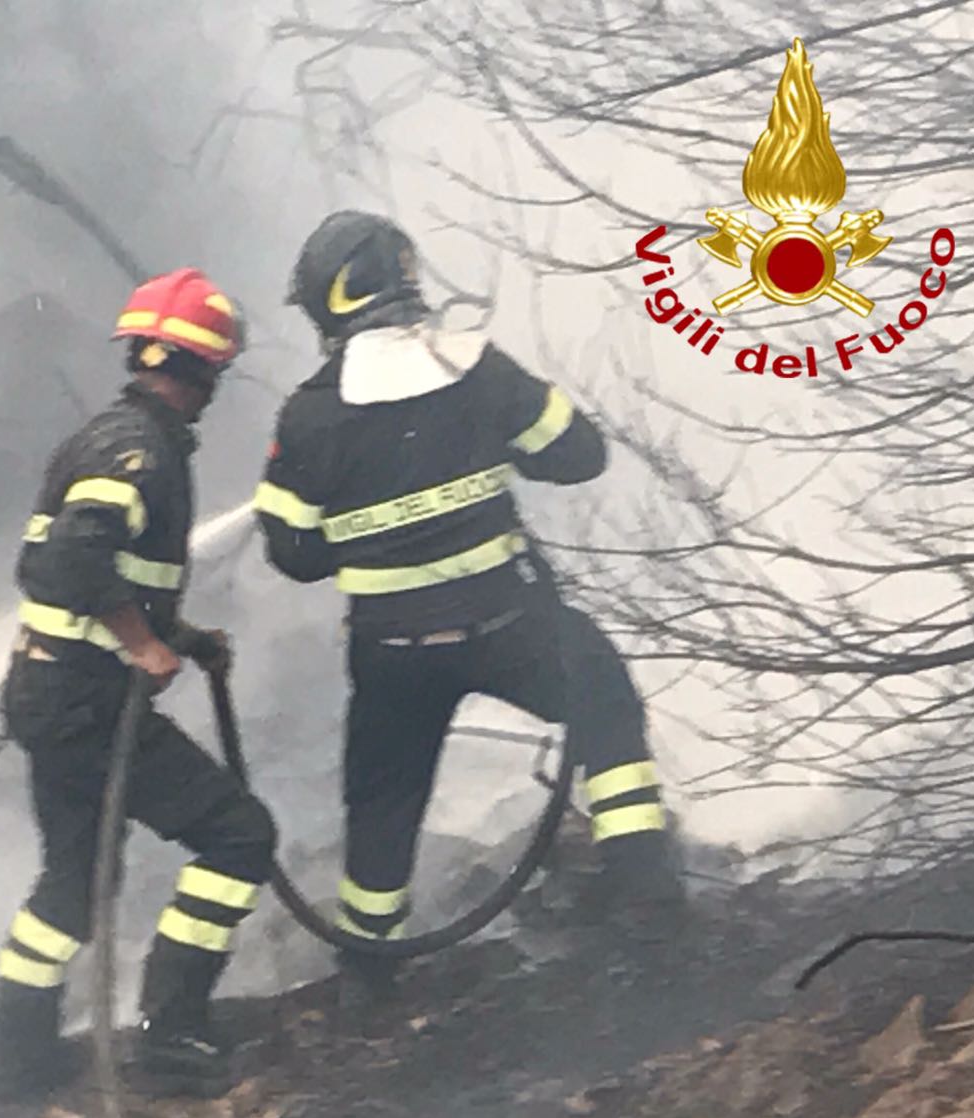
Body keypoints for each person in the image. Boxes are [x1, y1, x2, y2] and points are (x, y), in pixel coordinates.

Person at [254, 212, 685, 1013]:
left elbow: (293, 552)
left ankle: (370, 979)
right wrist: (498, 440)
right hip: (508, 628)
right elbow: (579, 454)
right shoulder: (475, 368)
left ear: (330, 301)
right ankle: (649, 904)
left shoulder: (310, 416)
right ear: (403, 276)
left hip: (392, 654)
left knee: (383, 808)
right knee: (604, 702)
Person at [0, 268, 277, 1100]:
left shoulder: (109, 439)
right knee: (239, 837)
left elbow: (89, 571)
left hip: (49, 689)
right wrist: (144, 643)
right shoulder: (140, 452)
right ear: (201, 371)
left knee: (75, 883)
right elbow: (74, 559)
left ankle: (19, 1061)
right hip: (84, 700)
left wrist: (180, 638)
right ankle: (172, 1031)